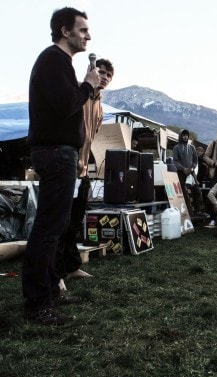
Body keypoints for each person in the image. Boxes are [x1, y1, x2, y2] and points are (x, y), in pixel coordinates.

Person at [22, 7, 100, 325]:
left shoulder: (59, 62)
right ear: (65, 31)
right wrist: (88, 86)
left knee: (55, 227)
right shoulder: (53, 60)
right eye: (82, 30)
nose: (88, 35)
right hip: (55, 153)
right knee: (47, 228)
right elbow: (66, 104)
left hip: (60, 153)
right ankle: (38, 302)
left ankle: (50, 291)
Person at [56, 58, 114, 290]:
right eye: (100, 71)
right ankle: (55, 273)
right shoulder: (78, 93)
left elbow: (92, 134)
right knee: (60, 224)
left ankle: (70, 267)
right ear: (91, 72)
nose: (104, 77)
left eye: (108, 75)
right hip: (66, 165)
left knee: (74, 223)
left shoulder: (100, 106)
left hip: (82, 169)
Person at [172, 129, 207, 219]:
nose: (185, 137)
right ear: (180, 136)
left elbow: (195, 160)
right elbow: (175, 161)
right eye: (183, 135)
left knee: (197, 191)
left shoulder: (192, 147)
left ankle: (198, 211)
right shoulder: (176, 147)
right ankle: (189, 213)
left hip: (191, 173)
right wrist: (183, 168)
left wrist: (192, 167)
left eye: (187, 135)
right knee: (185, 194)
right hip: (181, 173)